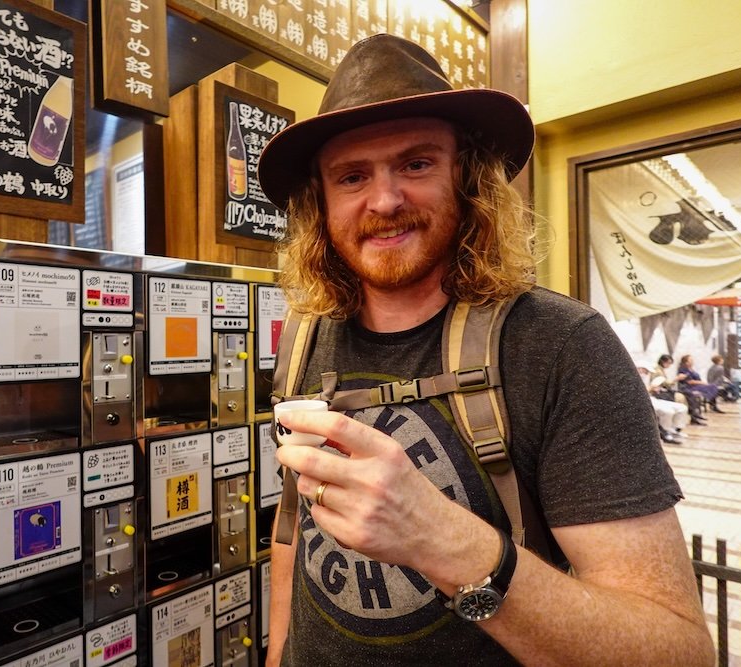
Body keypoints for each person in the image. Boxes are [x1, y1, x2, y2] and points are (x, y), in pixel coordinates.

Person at [256, 34, 713, 666]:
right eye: (352, 176)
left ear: (467, 179)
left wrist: (442, 538)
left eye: (416, 164)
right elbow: (293, 529)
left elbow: (676, 652)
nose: (385, 201)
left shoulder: (560, 347)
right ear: (321, 202)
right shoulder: (307, 334)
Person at [652, 353, 706, 425]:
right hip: (665, 391)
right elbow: (665, 383)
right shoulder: (658, 370)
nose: (669, 365)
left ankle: (694, 415)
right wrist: (677, 378)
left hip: (669, 389)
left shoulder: (661, 369)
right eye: (668, 363)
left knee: (692, 395)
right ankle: (689, 416)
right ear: (663, 362)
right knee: (687, 395)